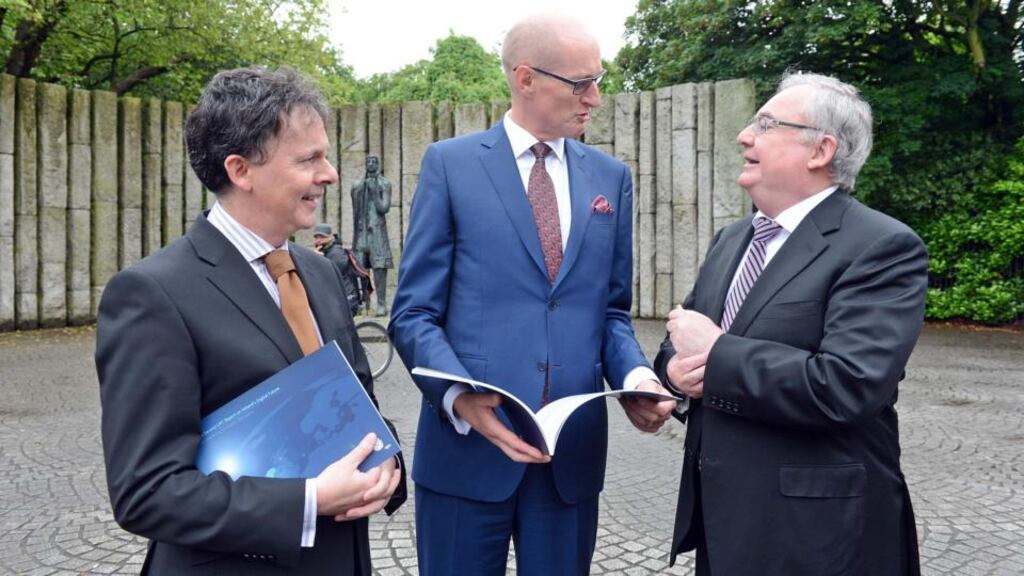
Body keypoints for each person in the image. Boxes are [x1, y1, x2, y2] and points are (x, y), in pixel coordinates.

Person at [388, 13, 676, 576]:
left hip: (568, 460)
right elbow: (415, 312)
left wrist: (638, 380)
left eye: (599, 79)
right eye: (580, 83)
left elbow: (612, 313)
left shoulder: (611, 178)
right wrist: (458, 397)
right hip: (465, 454)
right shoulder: (450, 165)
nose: (595, 97)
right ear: (525, 78)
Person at [95, 67, 405, 575]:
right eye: (309, 160)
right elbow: (147, 491)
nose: (329, 174)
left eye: (325, 156)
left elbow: (359, 406)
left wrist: (386, 459)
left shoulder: (320, 273)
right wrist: (307, 500)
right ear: (241, 170)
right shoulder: (152, 294)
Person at [654, 72, 926, 575]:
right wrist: (673, 373)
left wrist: (718, 356)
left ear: (820, 151)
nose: (743, 135)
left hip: (820, 537)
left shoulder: (881, 246)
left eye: (766, 123)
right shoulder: (732, 239)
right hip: (724, 519)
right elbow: (682, 341)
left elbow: (846, 386)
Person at [351, 155, 392, 316]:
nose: (371, 164)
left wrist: (375, 192)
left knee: (379, 267)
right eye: (368, 161)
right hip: (361, 233)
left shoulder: (384, 183)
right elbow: (355, 210)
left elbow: (383, 208)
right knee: (360, 267)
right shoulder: (358, 185)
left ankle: (381, 303)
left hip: (377, 233)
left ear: (379, 164)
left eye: (374, 161)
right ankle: (364, 302)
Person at [313, 223, 362, 317]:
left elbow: (326, 276)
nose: (318, 240)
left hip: (346, 301)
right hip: (336, 301)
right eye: (316, 237)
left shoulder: (336, 253)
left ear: (331, 237)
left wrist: (316, 260)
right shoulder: (325, 252)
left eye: (322, 237)